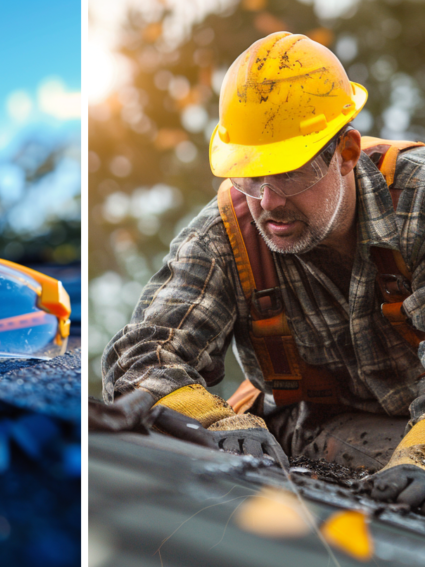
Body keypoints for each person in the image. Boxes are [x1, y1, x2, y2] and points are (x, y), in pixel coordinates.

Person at [102, 31, 425, 511]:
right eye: (251, 173)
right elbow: (139, 356)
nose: (267, 202)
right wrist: (215, 422)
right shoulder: (223, 236)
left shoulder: (417, 205)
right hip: (314, 432)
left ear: (347, 153)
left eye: (289, 172)